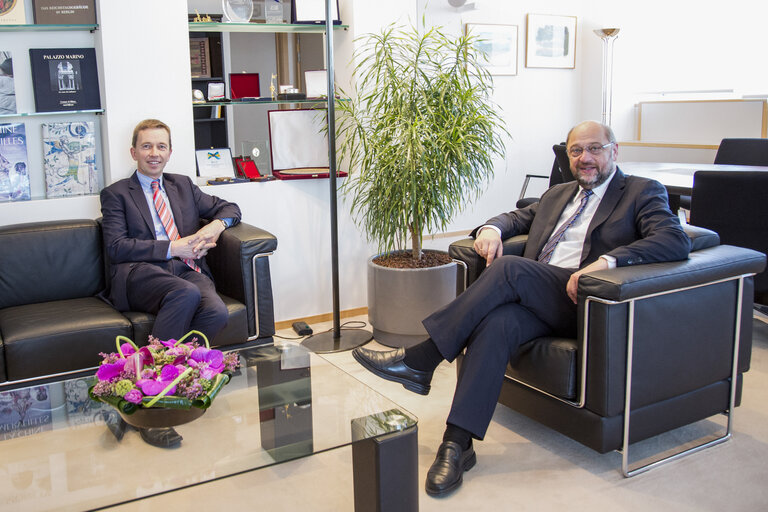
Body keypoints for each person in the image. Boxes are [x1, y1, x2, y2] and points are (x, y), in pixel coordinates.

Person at [352, 120, 691, 496]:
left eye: (595, 148)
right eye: (576, 151)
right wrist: (492, 230)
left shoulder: (641, 192)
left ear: (615, 151)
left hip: (587, 303)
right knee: (498, 322)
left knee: (509, 268)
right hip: (538, 295)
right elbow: (515, 218)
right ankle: (457, 443)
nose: (585, 158)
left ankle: (423, 358)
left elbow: (674, 241)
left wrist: (608, 262)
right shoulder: (558, 194)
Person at [100, 119, 241, 446]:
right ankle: (149, 408)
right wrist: (172, 247)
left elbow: (230, 207)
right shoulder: (116, 194)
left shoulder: (182, 185)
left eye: (161, 146)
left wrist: (216, 226)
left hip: (187, 268)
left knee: (217, 312)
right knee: (184, 293)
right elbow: (116, 247)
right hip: (140, 270)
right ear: (133, 151)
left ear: (170, 152)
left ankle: (175, 380)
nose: (154, 153)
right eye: (147, 146)